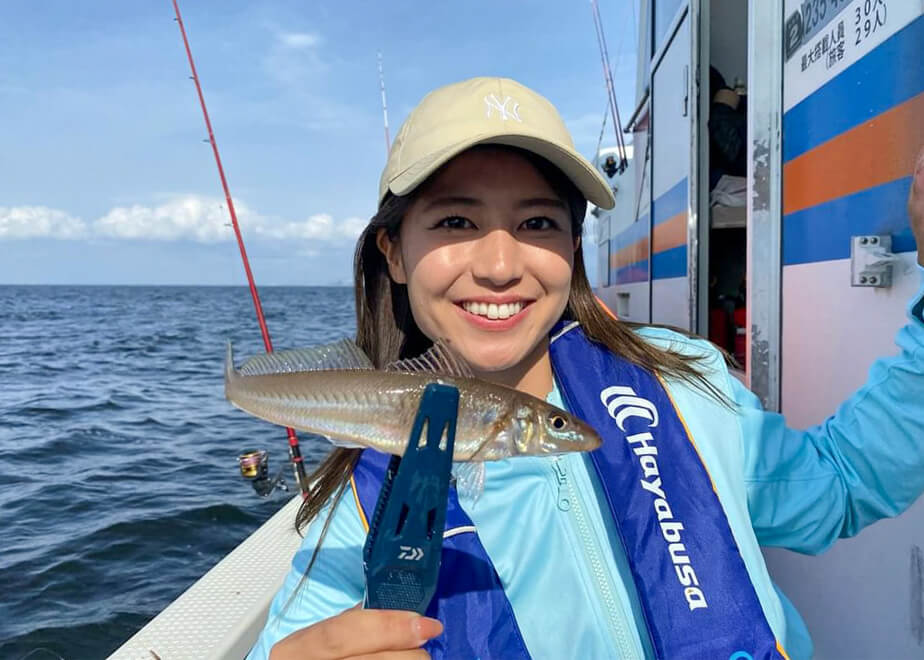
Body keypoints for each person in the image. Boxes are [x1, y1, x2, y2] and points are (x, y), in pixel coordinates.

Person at [248, 77, 924, 660]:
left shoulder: (682, 385)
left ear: (573, 247)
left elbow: (838, 486)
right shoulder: (363, 504)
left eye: (538, 223)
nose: (500, 265)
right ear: (393, 253)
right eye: (455, 221)